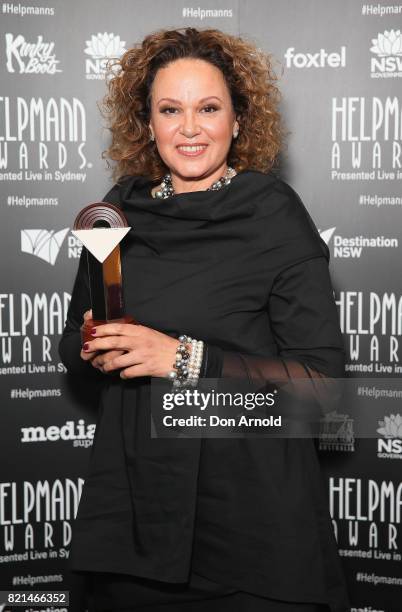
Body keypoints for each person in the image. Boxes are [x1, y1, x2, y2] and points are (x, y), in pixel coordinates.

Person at [59, 27, 350, 612]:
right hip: (137, 524)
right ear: (148, 123)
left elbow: (326, 395)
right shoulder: (119, 210)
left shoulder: (273, 214)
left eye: (208, 108)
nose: (189, 128)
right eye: (171, 109)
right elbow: (73, 347)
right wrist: (93, 344)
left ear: (238, 120)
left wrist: (185, 359)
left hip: (253, 528)